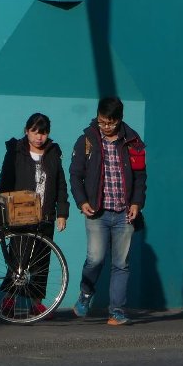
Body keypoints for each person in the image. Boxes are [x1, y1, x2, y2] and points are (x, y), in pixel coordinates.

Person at [69, 96, 147, 326]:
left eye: (110, 123)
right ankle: (86, 292)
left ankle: (117, 311)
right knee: (95, 259)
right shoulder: (87, 140)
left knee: (121, 264)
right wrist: (82, 201)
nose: (105, 127)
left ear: (119, 120)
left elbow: (141, 176)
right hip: (97, 212)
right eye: (102, 122)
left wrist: (136, 203)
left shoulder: (132, 141)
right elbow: (75, 175)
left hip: (124, 213)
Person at [0, 112, 69, 318]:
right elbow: (5, 182)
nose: (39, 137)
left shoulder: (54, 153)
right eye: (35, 132)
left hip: (45, 214)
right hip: (21, 213)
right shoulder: (15, 151)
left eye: (44, 133)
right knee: (18, 259)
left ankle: (36, 302)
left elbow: (61, 185)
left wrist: (62, 213)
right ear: (27, 131)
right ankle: (9, 299)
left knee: (41, 260)